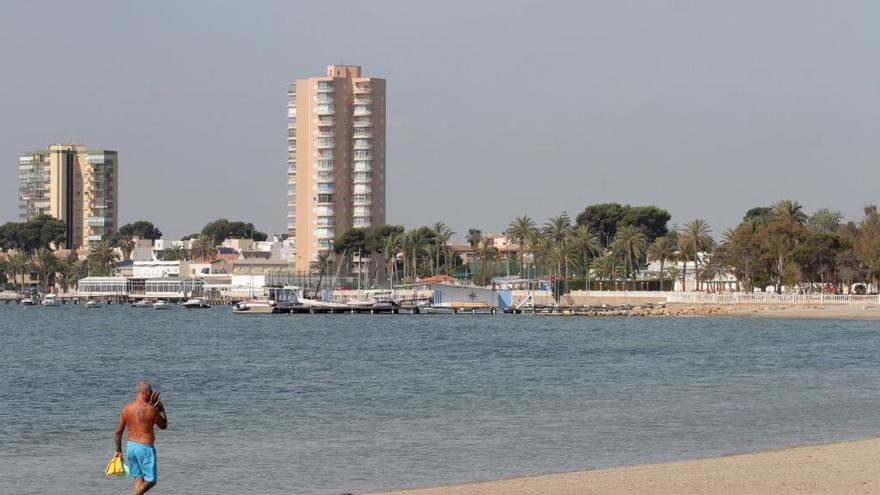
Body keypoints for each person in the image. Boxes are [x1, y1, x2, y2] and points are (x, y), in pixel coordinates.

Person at [114, 381, 168, 494]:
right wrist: (161, 408)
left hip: (131, 447)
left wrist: (118, 450)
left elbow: (118, 432)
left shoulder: (126, 408)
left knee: (138, 478)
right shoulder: (150, 409)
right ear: (147, 392)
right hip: (145, 448)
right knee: (151, 480)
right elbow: (163, 425)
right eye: (151, 392)